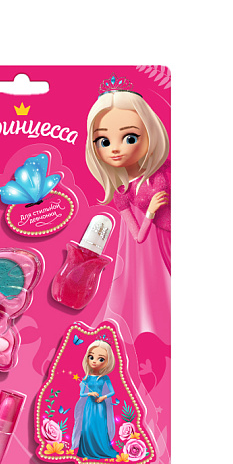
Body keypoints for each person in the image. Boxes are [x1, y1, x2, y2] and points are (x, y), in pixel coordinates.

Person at [85, 77, 171, 344]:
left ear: (150, 133)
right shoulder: (122, 193)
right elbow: (138, 236)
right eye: (103, 141)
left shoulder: (166, 171)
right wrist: (151, 212)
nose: (115, 149)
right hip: (160, 245)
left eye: (129, 137)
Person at [72, 340, 118, 464]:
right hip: (89, 406)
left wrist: (103, 397)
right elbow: (81, 394)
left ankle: (101, 449)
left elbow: (112, 392)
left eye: (101, 359)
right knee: (88, 427)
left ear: (107, 362)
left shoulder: (104, 378)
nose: (94, 361)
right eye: (91, 357)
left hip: (100, 406)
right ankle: (87, 450)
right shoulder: (86, 378)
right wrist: (90, 394)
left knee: (100, 427)